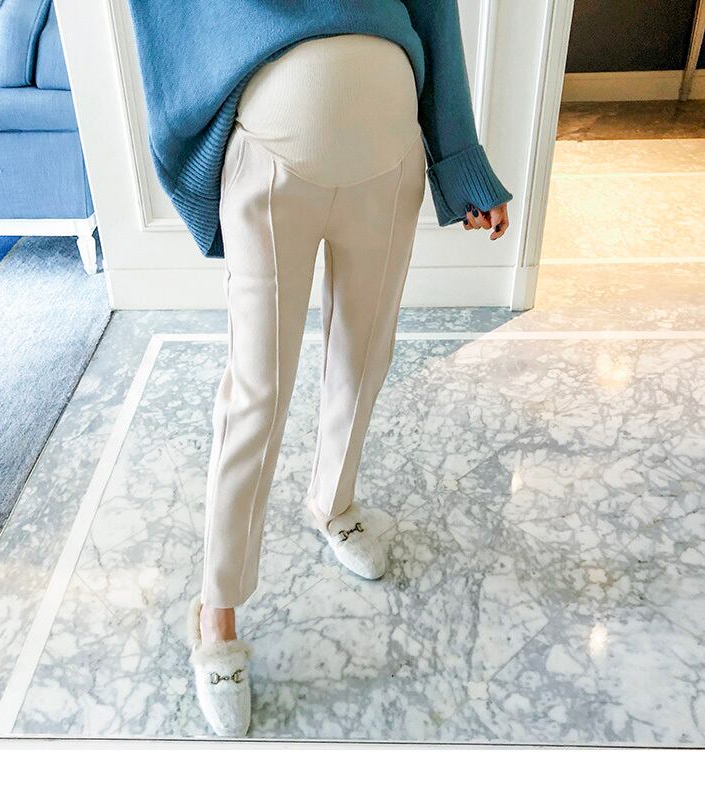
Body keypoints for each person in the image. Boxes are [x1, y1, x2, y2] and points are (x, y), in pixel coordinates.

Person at [127, 1, 513, 737]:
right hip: (273, 155)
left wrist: (461, 159)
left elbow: (433, 11)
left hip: (391, 155)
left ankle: (333, 503)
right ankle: (216, 613)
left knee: (365, 356)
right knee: (257, 392)